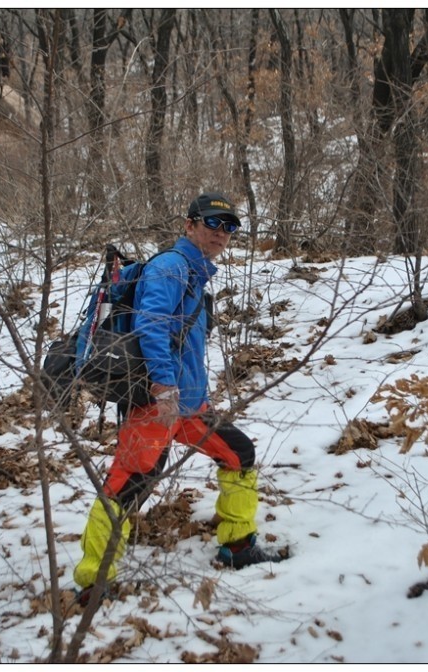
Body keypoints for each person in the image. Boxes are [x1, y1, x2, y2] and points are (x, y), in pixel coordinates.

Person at [73, 192, 281, 604]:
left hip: (188, 405)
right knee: (127, 484)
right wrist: (165, 389)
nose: (222, 233)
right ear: (190, 225)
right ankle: (94, 580)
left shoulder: (193, 270)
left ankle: (238, 547)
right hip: (158, 404)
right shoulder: (171, 268)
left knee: (238, 453)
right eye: (212, 223)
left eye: (230, 226)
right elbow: (150, 328)